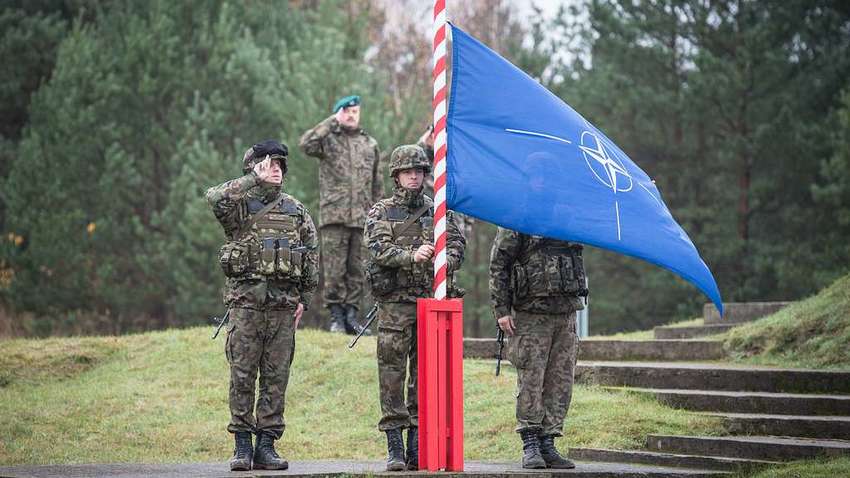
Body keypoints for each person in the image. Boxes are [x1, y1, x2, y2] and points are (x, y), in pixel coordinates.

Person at [205, 140, 318, 471]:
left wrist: (305, 300)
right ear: (253, 168)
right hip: (247, 307)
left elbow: (311, 255)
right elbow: (213, 197)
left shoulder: (296, 211)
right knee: (242, 375)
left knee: (275, 377)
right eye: (270, 164)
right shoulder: (238, 209)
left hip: (283, 309)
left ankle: (266, 445)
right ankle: (242, 445)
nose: (277, 169)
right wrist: (253, 179)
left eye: (280, 165)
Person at [364, 145, 465, 471]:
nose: (414, 176)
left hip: (429, 303)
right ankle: (394, 445)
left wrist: (443, 260)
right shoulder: (381, 211)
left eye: (419, 171)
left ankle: (417, 446)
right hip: (395, 305)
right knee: (391, 373)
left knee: (426, 375)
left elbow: (457, 245)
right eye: (408, 171)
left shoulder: (438, 210)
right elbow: (378, 249)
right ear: (396, 175)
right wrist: (412, 255)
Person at [488, 227, 588, 469]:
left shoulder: (569, 215)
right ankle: (530, 443)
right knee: (531, 379)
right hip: (531, 314)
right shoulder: (519, 218)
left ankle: (548, 442)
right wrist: (501, 310)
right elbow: (499, 264)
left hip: (565, 314)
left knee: (561, 381)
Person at [299, 95, 383, 334]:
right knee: (335, 271)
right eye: (346, 111)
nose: (351, 115)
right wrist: (330, 122)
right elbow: (306, 144)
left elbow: (377, 184)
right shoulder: (327, 140)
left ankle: (352, 317)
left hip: (362, 218)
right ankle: (336, 317)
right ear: (338, 113)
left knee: (357, 270)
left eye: (355, 111)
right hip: (334, 216)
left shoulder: (369, 145)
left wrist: (378, 217)